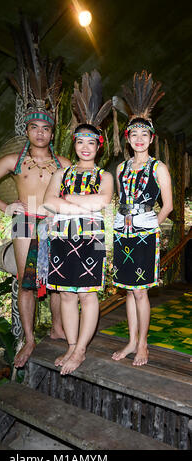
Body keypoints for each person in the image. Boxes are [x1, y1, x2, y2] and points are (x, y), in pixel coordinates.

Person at [0, 20, 70, 368]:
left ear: (51, 131)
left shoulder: (63, 161)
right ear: (26, 129)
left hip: (53, 222)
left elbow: (79, 190)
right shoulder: (14, 160)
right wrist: (5, 205)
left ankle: (58, 329)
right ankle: (29, 340)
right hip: (22, 221)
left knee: (58, 283)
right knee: (25, 282)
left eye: (46, 127)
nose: (41, 133)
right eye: (35, 127)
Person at [44, 70, 114, 375]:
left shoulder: (105, 176)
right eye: (80, 141)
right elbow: (48, 201)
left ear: (99, 146)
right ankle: (71, 345)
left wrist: (67, 203)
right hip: (62, 236)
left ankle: (82, 348)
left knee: (87, 293)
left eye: (91, 142)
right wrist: (81, 205)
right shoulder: (62, 174)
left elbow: (102, 202)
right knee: (66, 293)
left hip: (92, 236)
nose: (85, 147)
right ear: (74, 143)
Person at [112, 70, 173, 366]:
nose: (139, 139)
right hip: (122, 234)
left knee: (140, 292)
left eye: (144, 134)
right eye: (133, 134)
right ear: (128, 137)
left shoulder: (159, 167)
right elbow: (121, 201)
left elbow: (169, 206)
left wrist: (150, 225)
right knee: (128, 290)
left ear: (151, 138)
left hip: (145, 234)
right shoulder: (121, 168)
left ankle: (143, 344)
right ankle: (130, 341)